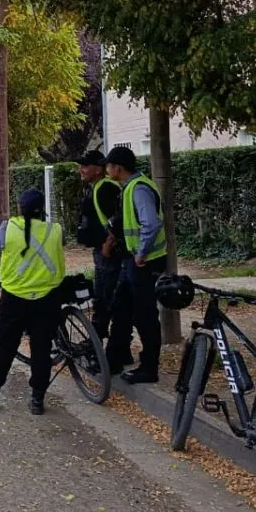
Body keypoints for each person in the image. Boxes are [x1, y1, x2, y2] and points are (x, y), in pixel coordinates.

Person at [0, 188, 65, 415]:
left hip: (14, 296)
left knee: (5, 345)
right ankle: (37, 400)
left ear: (20, 208)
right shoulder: (56, 230)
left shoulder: (9, 226)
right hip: (47, 297)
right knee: (42, 348)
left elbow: (1, 246)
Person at [105, 145, 168, 384]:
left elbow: (151, 224)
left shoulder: (139, 189)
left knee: (145, 315)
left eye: (109, 166)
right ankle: (117, 355)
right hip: (134, 260)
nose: (107, 170)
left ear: (117, 168)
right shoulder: (130, 187)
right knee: (120, 307)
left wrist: (141, 253)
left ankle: (149, 367)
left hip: (145, 262)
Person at [74, 151, 125, 366]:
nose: (81, 170)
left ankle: (100, 353)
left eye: (86, 166)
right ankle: (102, 349)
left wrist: (107, 245)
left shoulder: (106, 188)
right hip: (101, 253)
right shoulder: (95, 188)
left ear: (98, 168)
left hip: (110, 255)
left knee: (106, 301)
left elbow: (118, 219)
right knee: (104, 300)